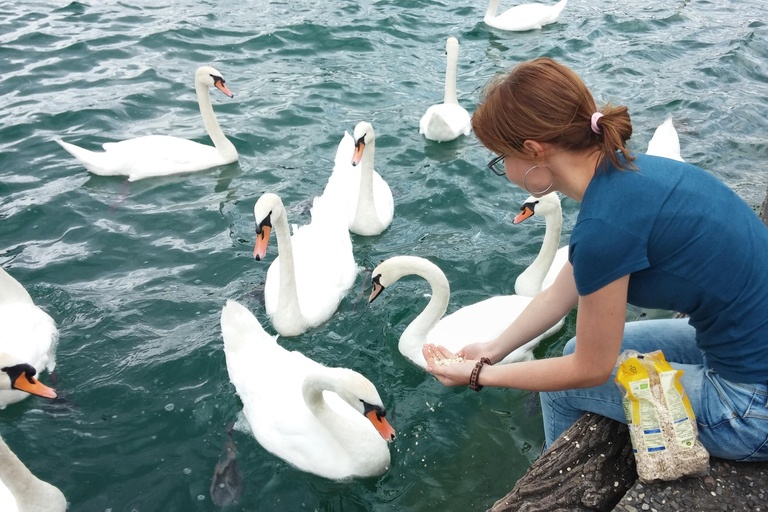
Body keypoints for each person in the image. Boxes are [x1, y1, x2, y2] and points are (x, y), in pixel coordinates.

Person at [422, 57, 768, 461]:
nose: (505, 170)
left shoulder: (605, 226)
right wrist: (491, 350)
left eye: (502, 160)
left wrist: (481, 375)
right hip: (743, 355)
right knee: (573, 347)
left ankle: (555, 493)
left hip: (750, 408)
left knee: (566, 384)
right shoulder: (631, 172)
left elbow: (590, 370)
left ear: (534, 151)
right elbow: (558, 295)